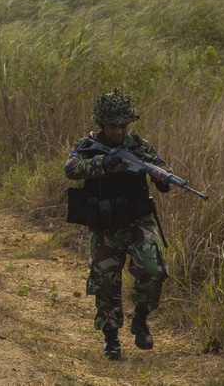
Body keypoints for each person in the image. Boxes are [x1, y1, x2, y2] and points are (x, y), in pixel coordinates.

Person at [65, 89, 173, 360]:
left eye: (124, 125)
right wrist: (103, 163)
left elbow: (160, 167)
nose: (120, 130)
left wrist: (164, 178)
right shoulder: (88, 144)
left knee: (154, 269)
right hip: (105, 226)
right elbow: (72, 168)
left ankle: (141, 318)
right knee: (105, 284)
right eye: (114, 126)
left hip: (138, 221)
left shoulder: (139, 145)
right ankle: (111, 338)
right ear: (102, 124)